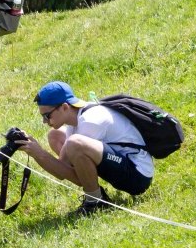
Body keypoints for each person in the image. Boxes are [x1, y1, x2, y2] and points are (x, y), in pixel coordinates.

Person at [15, 80, 153, 216]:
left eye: (47, 116)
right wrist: (33, 149)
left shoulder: (90, 121)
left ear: (64, 107)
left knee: (75, 143)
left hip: (138, 176)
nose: (44, 121)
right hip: (123, 163)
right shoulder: (76, 117)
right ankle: (96, 196)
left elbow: (77, 178)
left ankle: (96, 201)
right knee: (55, 135)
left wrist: (38, 153)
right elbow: (63, 168)